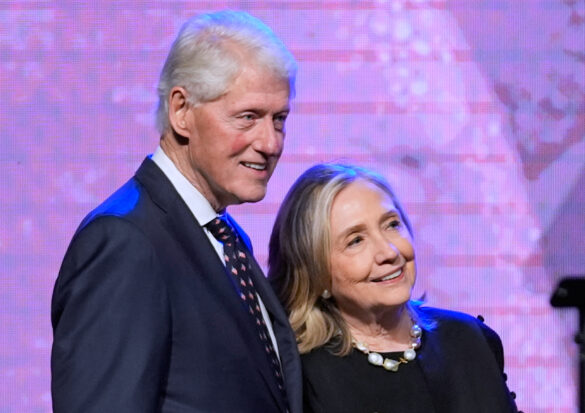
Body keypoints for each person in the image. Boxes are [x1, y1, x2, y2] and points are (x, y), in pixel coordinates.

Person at [51, 10, 301, 413]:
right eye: (248, 117)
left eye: (279, 120)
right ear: (181, 111)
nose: (270, 143)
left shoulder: (224, 236)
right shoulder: (125, 242)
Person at [268, 163, 520, 413]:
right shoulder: (300, 378)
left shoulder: (470, 339)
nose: (389, 252)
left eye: (391, 225)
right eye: (356, 241)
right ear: (316, 273)